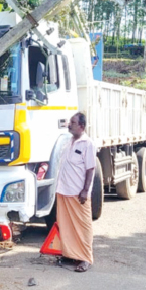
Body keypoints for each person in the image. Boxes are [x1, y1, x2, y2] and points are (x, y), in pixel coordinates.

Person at [56, 112, 96, 273]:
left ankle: (85, 258)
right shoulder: (69, 141)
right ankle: (70, 254)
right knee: (66, 225)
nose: (69, 124)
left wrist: (85, 190)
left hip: (78, 193)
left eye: (73, 122)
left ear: (81, 126)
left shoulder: (88, 143)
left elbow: (90, 168)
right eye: (70, 122)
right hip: (63, 191)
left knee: (83, 226)